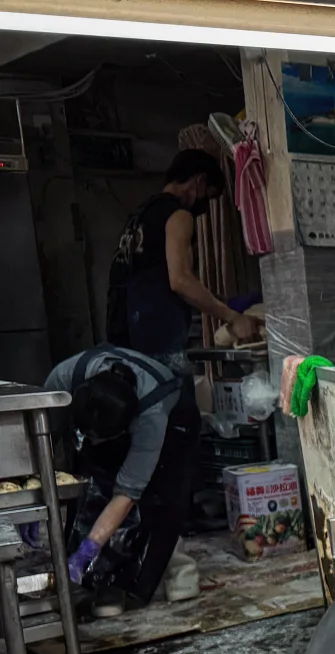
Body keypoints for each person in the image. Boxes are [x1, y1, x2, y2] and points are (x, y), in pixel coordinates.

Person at [42, 345, 196, 616]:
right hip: (110, 416)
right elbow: (43, 441)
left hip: (175, 423)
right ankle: (107, 584)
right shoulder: (62, 379)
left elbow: (126, 495)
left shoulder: (151, 417)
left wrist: (87, 551)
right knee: (94, 491)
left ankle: (180, 567)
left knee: (158, 499)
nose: (91, 442)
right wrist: (38, 498)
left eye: (97, 437)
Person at [106, 149, 256, 372]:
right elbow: (180, 281)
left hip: (122, 333)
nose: (205, 206)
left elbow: (157, 274)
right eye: (209, 196)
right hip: (155, 336)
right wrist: (232, 318)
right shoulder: (178, 215)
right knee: (171, 400)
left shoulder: (140, 215)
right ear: (200, 181)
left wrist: (215, 299)